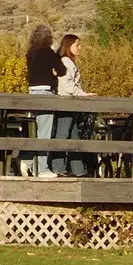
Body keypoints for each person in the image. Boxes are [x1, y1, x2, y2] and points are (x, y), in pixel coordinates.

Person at [24, 24, 67, 178]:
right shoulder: (48, 53)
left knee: (38, 128)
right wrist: (54, 69)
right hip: (46, 92)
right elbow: (62, 70)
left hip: (32, 91)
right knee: (45, 131)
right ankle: (41, 168)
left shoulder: (31, 53)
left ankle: (28, 160)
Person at [55, 33, 93, 177]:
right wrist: (82, 94)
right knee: (63, 134)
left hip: (71, 103)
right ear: (68, 46)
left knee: (73, 135)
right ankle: (58, 167)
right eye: (77, 45)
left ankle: (78, 170)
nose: (79, 48)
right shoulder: (65, 62)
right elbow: (67, 85)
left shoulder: (68, 62)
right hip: (66, 103)